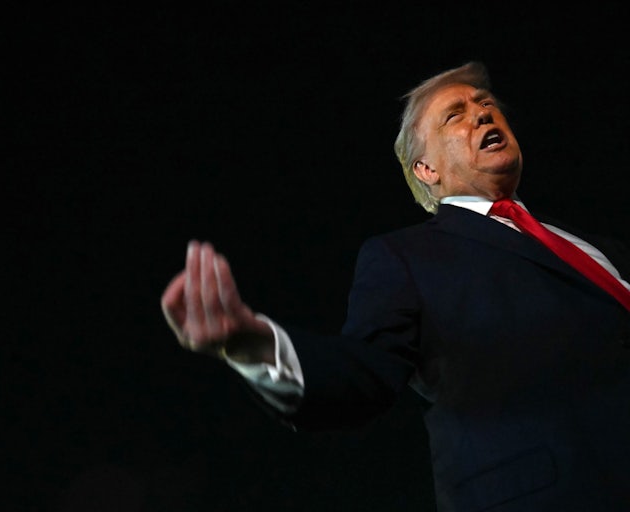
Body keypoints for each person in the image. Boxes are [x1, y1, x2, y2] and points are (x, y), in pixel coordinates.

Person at [160, 61, 630, 511]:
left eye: (485, 103)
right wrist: (255, 345)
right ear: (427, 170)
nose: (483, 112)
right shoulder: (406, 257)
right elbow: (363, 373)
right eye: (455, 115)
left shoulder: (595, 246)